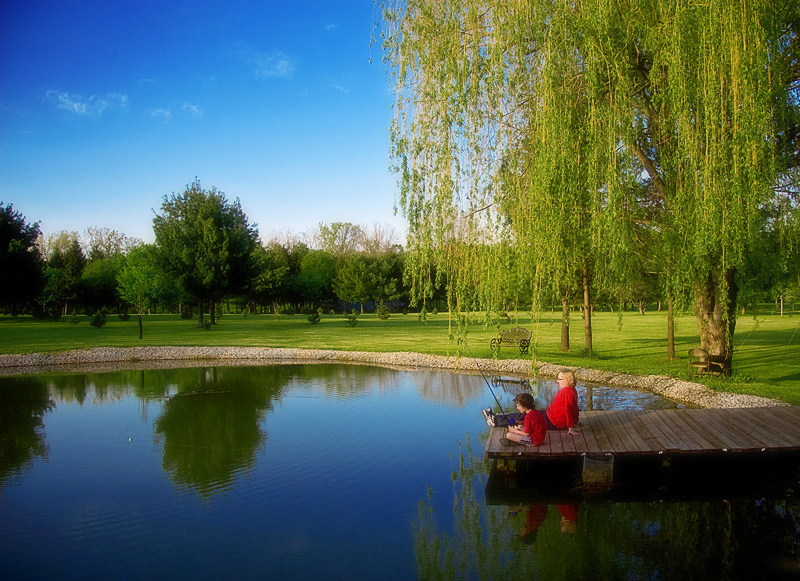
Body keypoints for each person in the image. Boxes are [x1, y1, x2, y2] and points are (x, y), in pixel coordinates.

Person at [545, 370, 579, 436]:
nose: (557, 381)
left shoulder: (566, 392)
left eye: (560, 379)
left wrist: (570, 428)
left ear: (568, 380)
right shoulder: (572, 389)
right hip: (550, 415)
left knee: (528, 417)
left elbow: (567, 409)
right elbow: (575, 408)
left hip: (553, 421)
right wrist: (576, 420)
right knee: (530, 414)